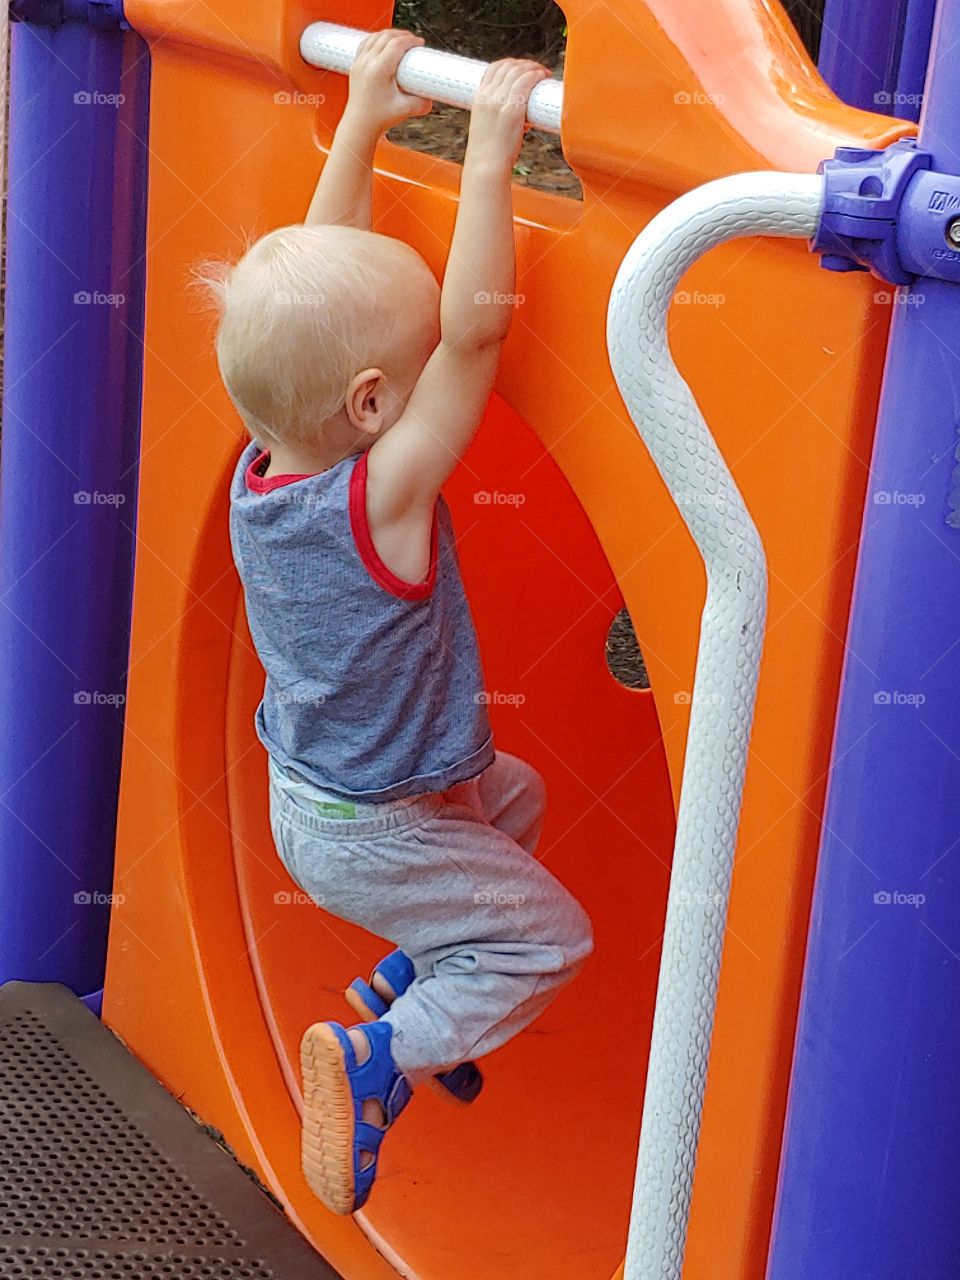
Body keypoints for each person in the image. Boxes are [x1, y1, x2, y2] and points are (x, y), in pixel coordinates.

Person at [209, 29, 593, 1214]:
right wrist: (487, 150)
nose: (439, 374)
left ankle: (404, 985)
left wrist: (368, 118)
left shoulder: (265, 464)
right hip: (377, 828)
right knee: (549, 938)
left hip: (324, 799)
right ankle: (384, 1054)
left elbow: (316, 272)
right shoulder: (384, 495)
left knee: (514, 795)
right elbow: (480, 332)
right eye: (411, 371)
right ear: (376, 404)